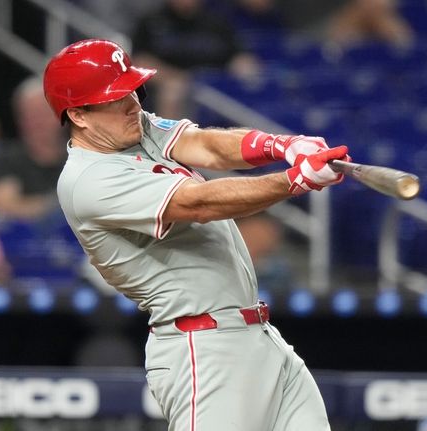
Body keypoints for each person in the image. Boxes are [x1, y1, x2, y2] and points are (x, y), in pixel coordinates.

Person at [43, 39, 349, 430]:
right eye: (115, 97)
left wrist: (283, 145)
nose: (132, 103)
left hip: (259, 337)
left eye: (132, 90)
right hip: (203, 347)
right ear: (79, 116)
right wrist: (296, 180)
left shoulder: (136, 130)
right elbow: (199, 204)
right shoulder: (88, 180)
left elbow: (207, 146)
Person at [131, 0, 262, 118]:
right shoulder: (151, 21)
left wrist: (243, 65)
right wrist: (173, 77)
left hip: (214, 85)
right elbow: (139, 61)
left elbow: (239, 55)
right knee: (172, 92)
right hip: (171, 85)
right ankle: (170, 143)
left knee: (250, 78)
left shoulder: (217, 21)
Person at [0, 77, 65, 221]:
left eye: (44, 114)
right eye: (31, 116)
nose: (39, 123)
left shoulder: (80, 154)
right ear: (20, 121)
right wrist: (53, 205)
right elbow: (3, 205)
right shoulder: (9, 159)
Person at [239, 0, 414, 49]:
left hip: (346, 17)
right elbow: (257, 5)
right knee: (368, 7)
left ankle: (406, 57)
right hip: (307, 28)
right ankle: (406, 52)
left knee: (374, 6)